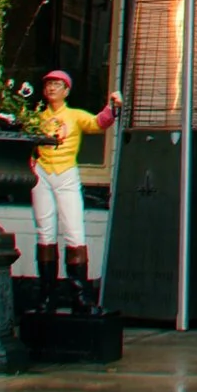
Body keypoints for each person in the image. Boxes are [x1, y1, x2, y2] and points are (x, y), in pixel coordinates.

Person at [30, 70, 116, 311]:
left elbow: (98, 123)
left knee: (74, 230)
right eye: (48, 84)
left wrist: (112, 106)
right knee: (44, 231)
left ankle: (80, 294)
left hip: (66, 173)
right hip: (42, 173)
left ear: (66, 90)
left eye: (57, 85)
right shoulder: (36, 118)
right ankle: (47, 295)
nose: (51, 89)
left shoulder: (75, 116)